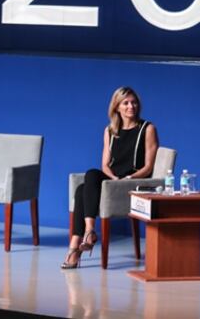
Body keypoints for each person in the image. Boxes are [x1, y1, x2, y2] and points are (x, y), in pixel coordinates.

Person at [62, 86, 159, 269]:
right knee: (91, 175)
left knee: (81, 190)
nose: (131, 106)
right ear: (117, 107)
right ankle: (89, 231)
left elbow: (148, 168)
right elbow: (105, 165)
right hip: (112, 179)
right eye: (126, 103)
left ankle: (75, 247)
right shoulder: (110, 131)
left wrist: (126, 178)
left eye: (134, 102)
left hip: (132, 182)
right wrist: (113, 179)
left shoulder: (147, 129)